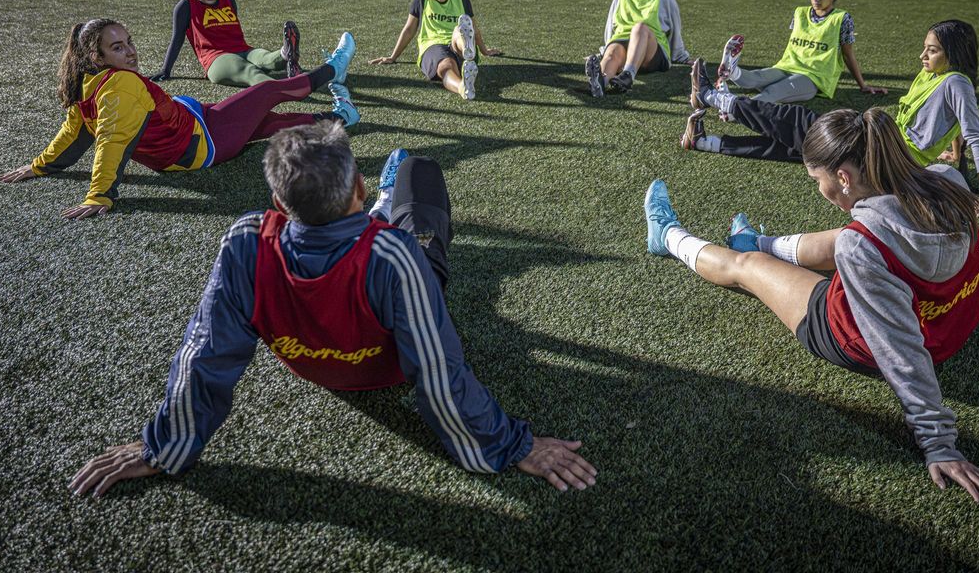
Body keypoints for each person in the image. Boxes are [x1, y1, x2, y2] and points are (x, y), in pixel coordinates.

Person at [68, 122, 598, 497]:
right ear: (358, 187)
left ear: (280, 204)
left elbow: (203, 355)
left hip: (318, 364)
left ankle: (388, 200)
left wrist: (165, 447)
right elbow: (437, 374)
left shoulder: (247, 240)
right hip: (382, 348)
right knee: (424, 172)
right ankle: (396, 191)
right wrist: (508, 446)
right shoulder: (393, 255)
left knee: (399, 233)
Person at [644, 108, 979, 504]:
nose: (819, 189)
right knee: (851, 235)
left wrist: (938, 441)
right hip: (951, 326)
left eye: (818, 180)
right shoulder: (947, 180)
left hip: (851, 337)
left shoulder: (862, 246)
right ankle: (757, 240)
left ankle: (668, 237)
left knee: (750, 268)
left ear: (843, 177)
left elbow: (899, 351)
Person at [0, 19, 358, 219]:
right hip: (205, 143)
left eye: (129, 41)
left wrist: (40, 166)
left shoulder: (86, 87)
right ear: (95, 55)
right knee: (263, 96)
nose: (131, 51)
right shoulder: (119, 86)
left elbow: (71, 137)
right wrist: (100, 195)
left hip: (194, 121)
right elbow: (110, 141)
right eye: (117, 47)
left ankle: (340, 116)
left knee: (261, 122)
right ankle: (332, 70)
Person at [685, 20, 979, 217]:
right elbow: (958, 122)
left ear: (954, 55)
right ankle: (706, 142)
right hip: (886, 146)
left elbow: (976, 134)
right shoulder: (940, 76)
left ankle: (713, 97)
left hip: (887, 156)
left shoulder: (956, 82)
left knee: (799, 123)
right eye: (925, 48)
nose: (923, 56)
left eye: (932, 51)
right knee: (801, 150)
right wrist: (953, 151)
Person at [712, 0, 885, 104]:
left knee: (774, 90)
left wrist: (862, 85)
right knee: (758, 77)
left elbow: (848, 55)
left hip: (813, 78)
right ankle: (732, 71)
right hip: (787, 66)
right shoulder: (799, 12)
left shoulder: (842, 19)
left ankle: (734, 107)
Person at [368, 0, 500, 101]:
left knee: (460, 30)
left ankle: (468, 52)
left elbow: (474, 29)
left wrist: (484, 51)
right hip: (432, 46)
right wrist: (393, 56)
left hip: (457, 43)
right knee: (447, 65)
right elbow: (409, 29)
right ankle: (463, 87)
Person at [151, 0, 301, 88]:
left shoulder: (228, 0)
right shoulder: (186, 6)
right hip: (216, 58)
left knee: (265, 58)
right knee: (250, 71)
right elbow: (177, 39)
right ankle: (287, 89)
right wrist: (165, 70)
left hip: (244, 50)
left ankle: (286, 54)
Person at [584, 0, 690, 97]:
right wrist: (605, 50)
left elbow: (675, 30)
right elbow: (610, 25)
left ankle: (627, 75)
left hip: (651, 51)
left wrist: (680, 56)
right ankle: (599, 83)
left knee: (640, 28)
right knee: (612, 54)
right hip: (624, 46)